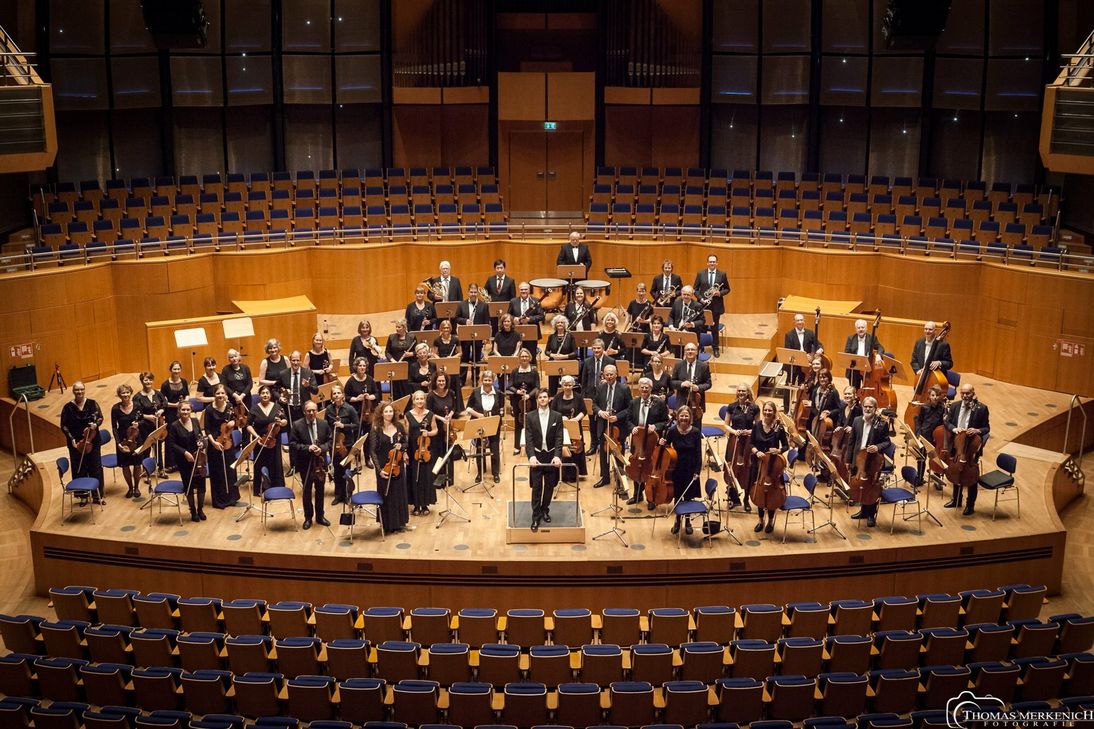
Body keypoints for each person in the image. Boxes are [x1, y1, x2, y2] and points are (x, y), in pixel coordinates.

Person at [845, 396, 891, 528]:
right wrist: (848, 459)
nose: (867, 409)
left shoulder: (881, 423)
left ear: (875, 409)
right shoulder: (857, 420)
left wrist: (877, 447)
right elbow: (851, 441)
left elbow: (887, 441)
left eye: (870, 407)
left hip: (873, 462)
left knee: (871, 487)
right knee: (861, 485)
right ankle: (864, 511)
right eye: (865, 406)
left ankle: (871, 514)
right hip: (858, 459)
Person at [624, 377, 671, 507]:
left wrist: (655, 427)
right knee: (636, 465)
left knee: (650, 468)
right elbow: (628, 420)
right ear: (639, 388)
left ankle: (650, 498)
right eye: (642, 387)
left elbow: (665, 422)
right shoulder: (634, 402)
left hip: (651, 442)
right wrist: (632, 427)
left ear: (651, 389)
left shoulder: (659, 403)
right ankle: (637, 495)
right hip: (637, 441)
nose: (644, 389)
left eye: (647, 387)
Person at [944, 384, 990, 515]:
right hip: (957, 444)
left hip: (971, 446)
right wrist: (954, 428)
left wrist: (977, 430)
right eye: (963, 393)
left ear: (973, 393)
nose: (965, 396)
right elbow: (947, 422)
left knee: (971, 476)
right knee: (956, 469)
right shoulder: (954, 406)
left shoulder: (981, 408)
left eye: (968, 393)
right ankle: (956, 500)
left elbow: (987, 428)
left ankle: (970, 505)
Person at [524, 389, 565, 532]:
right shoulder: (529, 416)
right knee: (536, 488)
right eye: (540, 397)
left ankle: (544, 509)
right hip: (537, 456)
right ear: (537, 400)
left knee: (549, 487)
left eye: (545, 397)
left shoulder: (557, 416)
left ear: (549, 399)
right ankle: (535, 516)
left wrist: (557, 456)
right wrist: (531, 456)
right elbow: (528, 439)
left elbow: (559, 438)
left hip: (551, 455)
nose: (542, 399)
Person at [289, 400, 331, 530]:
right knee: (307, 491)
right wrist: (308, 448)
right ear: (304, 412)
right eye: (309, 411)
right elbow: (293, 444)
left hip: (320, 463)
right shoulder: (297, 425)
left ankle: (320, 516)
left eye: (314, 410)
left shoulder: (323, 424)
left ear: (317, 411)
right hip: (305, 463)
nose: (311, 413)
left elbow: (330, 441)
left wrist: (322, 449)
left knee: (320, 490)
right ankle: (308, 517)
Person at [61, 381, 105, 500]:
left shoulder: (92, 404)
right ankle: (83, 496)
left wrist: (96, 424)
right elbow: (63, 425)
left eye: (81, 389)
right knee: (79, 469)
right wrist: (71, 439)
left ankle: (97, 496)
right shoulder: (68, 407)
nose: (79, 392)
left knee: (95, 467)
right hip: (76, 443)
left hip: (92, 440)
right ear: (73, 391)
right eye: (77, 390)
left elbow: (100, 417)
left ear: (84, 390)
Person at [750, 401, 790, 533]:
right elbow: (751, 443)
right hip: (759, 464)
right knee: (760, 491)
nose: (767, 413)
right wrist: (756, 451)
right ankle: (760, 520)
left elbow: (786, 446)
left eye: (770, 411)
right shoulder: (757, 425)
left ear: (774, 412)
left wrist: (778, 451)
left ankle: (771, 521)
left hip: (774, 466)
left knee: (772, 492)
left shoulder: (779, 428)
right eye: (765, 410)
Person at [371, 401, 409, 534]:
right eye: (386, 411)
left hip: (397, 465)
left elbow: (405, 442)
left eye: (391, 411)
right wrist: (379, 470)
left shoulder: (399, 426)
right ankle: (387, 524)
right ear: (381, 413)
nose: (388, 414)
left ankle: (399, 522)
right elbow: (372, 451)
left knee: (398, 493)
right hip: (383, 466)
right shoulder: (376, 428)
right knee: (387, 495)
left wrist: (402, 447)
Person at [664, 405, 703, 535]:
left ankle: (687, 522)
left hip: (691, 468)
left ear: (690, 417)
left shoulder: (696, 432)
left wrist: (697, 471)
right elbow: (666, 446)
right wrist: (661, 442)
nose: (684, 418)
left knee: (688, 497)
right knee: (678, 496)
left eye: (686, 416)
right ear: (678, 417)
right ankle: (677, 521)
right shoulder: (673, 431)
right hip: (676, 468)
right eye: (682, 416)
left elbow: (698, 453)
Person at [591, 364, 631, 488]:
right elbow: (594, 404)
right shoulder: (601, 387)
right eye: (607, 374)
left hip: (619, 425)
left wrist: (617, 416)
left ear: (616, 374)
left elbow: (630, 407)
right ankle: (605, 478)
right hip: (604, 424)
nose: (609, 377)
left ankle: (619, 478)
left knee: (618, 452)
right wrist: (599, 412)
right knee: (604, 451)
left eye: (611, 374)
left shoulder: (624, 389)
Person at [169, 400, 207, 522]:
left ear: (191, 410)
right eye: (183, 410)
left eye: (188, 410)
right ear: (179, 411)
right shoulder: (174, 426)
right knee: (189, 486)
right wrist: (185, 453)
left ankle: (200, 509)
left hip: (198, 458)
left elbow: (201, 437)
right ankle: (193, 511)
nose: (185, 412)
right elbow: (172, 444)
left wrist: (202, 444)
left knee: (201, 485)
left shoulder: (195, 421)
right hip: (184, 460)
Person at [203, 384, 240, 509]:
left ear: (226, 395)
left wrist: (233, 423)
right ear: (214, 395)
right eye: (218, 393)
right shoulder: (209, 409)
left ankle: (232, 498)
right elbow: (206, 429)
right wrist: (213, 443)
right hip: (215, 443)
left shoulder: (230, 407)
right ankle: (220, 500)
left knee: (230, 470)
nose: (220, 396)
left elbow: (237, 421)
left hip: (228, 442)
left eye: (222, 393)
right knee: (217, 472)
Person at [464, 370, 505, 484]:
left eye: (489, 380)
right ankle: (480, 473)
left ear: (493, 381)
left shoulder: (499, 393)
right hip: (478, 423)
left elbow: (501, 409)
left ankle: (495, 473)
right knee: (479, 447)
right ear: (481, 380)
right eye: (485, 380)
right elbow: (468, 408)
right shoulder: (475, 392)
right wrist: (478, 415)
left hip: (493, 423)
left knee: (494, 446)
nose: (487, 382)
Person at [723, 384, 759, 511]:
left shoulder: (754, 408)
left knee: (748, 469)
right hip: (735, 439)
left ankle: (746, 499)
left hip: (748, 441)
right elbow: (726, 425)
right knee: (732, 466)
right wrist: (734, 431)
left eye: (743, 391)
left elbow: (757, 426)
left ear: (748, 392)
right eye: (739, 391)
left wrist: (749, 431)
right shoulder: (732, 406)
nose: (741, 393)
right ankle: (734, 497)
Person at [247, 385, 288, 492]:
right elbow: (248, 425)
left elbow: (285, 421)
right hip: (259, 440)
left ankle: (276, 486)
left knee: (275, 462)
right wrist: (257, 437)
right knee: (259, 463)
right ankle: (260, 488)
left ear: (270, 395)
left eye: (267, 393)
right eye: (263, 393)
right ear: (259, 395)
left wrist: (281, 422)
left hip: (274, 440)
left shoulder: (277, 407)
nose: (265, 395)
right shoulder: (254, 408)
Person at [427, 371, 462, 488]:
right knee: (438, 453)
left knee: (448, 452)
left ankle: (449, 478)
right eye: (439, 381)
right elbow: (429, 412)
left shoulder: (451, 393)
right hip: (436, 427)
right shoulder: (431, 396)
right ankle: (438, 480)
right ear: (435, 382)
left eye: (443, 381)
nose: (441, 383)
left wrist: (450, 415)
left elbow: (454, 407)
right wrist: (441, 418)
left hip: (448, 427)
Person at [406, 391, 438, 515]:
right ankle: (416, 504)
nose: (420, 401)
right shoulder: (408, 415)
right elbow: (406, 434)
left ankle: (425, 504)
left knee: (426, 477)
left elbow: (435, 430)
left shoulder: (430, 414)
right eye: (417, 399)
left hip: (426, 450)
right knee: (414, 477)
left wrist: (428, 433)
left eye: (422, 399)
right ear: (413, 401)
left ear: (425, 400)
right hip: (413, 449)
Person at [326, 385, 359, 506]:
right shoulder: (329, 409)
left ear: (343, 395)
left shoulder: (349, 409)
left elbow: (356, 424)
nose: (336, 395)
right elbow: (326, 425)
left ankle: (347, 495)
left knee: (345, 470)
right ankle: (338, 495)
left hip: (347, 444)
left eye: (338, 393)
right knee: (336, 470)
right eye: (334, 394)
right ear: (331, 397)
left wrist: (344, 426)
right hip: (334, 444)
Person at [551, 375, 588, 481]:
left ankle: (573, 474)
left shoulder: (578, 397)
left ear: (573, 385)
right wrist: (560, 418)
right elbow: (552, 412)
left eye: (569, 385)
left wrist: (576, 419)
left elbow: (583, 411)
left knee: (575, 450)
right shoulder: (557, 397)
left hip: (574, 426)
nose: (567, 387)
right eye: (565, 385)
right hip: (561, 427)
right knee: (562, 448)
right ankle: (562, 474)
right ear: (562, 385)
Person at [344, 357, 380, 466]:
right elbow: (345, 397)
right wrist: (356, 399)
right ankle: (357, 457)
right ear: (356, 367)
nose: (362, 367)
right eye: (360, 365)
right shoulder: (351, 381)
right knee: (357, 436)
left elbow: (377, 394)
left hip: (368, 412)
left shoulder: (370, 379)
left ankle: (368, 458)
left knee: (368, 436)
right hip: (355, 412)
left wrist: (370, 397)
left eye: (364, 366)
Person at [693, 254, 730, 356]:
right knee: (702, 327)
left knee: (714, 327)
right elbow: (695, 289)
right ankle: (701, 347)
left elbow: (727, 289)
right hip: (703, 305)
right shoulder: (700, 274)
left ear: (716, 263)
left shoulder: (722, 274)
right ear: (707, 263)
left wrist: (720, 293)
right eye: (710, 261)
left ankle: (715, 347)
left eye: (714, 262)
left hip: (716, 305)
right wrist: (700, 299)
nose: (712, 263)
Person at [111, 383, 143, 499]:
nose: (125, 395)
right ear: (119, 395)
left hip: (136, 438)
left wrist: (138, 423)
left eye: (127, 392)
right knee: (125, 466)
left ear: (131, 393)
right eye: (123, 393)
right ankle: (130, 488)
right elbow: (114, 427)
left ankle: (137, 487)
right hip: (123, 439)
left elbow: (143, 420)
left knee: (137, 464)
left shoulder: (137, 405)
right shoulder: (115, 408)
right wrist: (118, 443)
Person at [914, 384, 947, 488]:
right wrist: (918, 433)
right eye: (933, 395)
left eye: (937, 395)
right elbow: (919, 421)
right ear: (929, 396)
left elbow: (943, 424)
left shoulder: (942, 408)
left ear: (940, 396)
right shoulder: (924, 407)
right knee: (921, 458)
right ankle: (919, 478)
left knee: (935, 459)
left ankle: (937, 480)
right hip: (924, 435)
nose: (935, 397)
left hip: (936, 438)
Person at [507, 348, 539, 454]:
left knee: (532, 423)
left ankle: (533, 446)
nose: (524, 358)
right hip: (518, 401)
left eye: (526, 356)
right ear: (519, 358)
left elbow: (537, 387)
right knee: (518, 422)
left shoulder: (534, 371)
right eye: (522, 356)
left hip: (531, 401)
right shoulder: (515, 371)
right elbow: (510, 386)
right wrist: (518, 392)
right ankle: (517, 446)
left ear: (529, 358)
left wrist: (529, 395)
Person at [134, 371, 166, 474]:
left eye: (150, 379)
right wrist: (147, 416)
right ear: (142, 381)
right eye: (146, 380)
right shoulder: (137, 397)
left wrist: (161, 410)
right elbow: (135, 412)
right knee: (146, 448)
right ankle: (147, 471)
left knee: (158, 447)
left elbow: (164, 403)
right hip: (145, 426)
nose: (148, 382)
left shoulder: (157, 393)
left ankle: (161, 469)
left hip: (157, 424)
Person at [456, 283, 489, 384]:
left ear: (477, 293)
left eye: (475, 292)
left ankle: (475, 378)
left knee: (477, 358)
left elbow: (486, 321)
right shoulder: (462, 304)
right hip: (465, 335)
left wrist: (485, 336)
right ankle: (462, 379)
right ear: (468, 292)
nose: (473, 294)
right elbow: (456, 318)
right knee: (464, 357)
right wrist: (465, 321)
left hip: (478, 336)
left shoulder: (483, 305)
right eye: (471, 292)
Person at [160, 361, 189, 472]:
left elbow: (186, 394)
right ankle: (171, 464)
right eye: (174, 369)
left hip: (183, 413)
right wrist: (176, 405)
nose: (177, 371)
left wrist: (184, 402)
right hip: (171, 414)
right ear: (170, 370)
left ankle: (182, 461)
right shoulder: (165, 385)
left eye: (178, 369)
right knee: (171, 438)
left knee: (182, 435)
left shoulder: (184, 381)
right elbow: (163, 402)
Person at [670, 342, 712, 420]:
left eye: (692, 349)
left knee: (696, 427)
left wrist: (698, 387)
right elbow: (672, 382)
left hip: (697, 403)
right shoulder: (678, 365)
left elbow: (708, 383)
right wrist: (682, 384)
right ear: (685, 352)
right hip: (682, 400)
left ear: (696, 352)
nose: (690, 351)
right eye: (687, 350)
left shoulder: (704, 366)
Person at [278, 351, 319, 425]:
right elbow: (275, 389)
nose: (295, 363)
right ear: (290, 361)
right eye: (293, 360)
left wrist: (308, 386)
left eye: (297, 360)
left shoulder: (308, 373)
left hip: (303, 409)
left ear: (300, 361)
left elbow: (315, 390)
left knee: (304, 432)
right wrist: (280, 397)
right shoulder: (283, 374)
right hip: (289, 409)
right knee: (290, 432)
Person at [784, 313, 825, 385]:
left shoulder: (810, 333)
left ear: (804, 321)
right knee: (789, 384)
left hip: (806, 365)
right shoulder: (789, 335)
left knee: (803, 384)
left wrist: (820, 349)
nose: (800, 322)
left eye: (801, 320)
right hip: (794, 364)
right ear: (794, 322)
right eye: (798, 320)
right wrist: (802, 356)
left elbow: (818, 344)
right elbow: (788, 351)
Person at [843, 319, 884, 389]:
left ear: (866, 328)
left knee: (867, 389)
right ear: (856, 329)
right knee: (854, 390)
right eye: (858, 328)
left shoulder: (871, 338)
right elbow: (846, 353)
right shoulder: (851, 338)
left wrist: (878, 355)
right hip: (855, 368)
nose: (860, 329)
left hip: (867, 367)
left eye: (862, 327)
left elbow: (880, 347)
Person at [910, 320, 953, 385]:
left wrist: (939, 363)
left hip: (936, 380)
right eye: (926, 329)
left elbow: (949, 363)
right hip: (921, 378)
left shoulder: (943, 345)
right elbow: (914, 361)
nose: (927, 331)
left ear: (935, 331)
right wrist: (918, 371)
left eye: (930, 329)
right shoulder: (919, 342)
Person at [544, 315, 576, 397]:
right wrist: (552, 355)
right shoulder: (551, 337)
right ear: (555, 325)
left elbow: (575, 352)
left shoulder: (570, 336)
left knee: (566, 384)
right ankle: (553, 399)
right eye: (558, 323)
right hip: (554, 362)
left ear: (565, 324)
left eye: (562, 322)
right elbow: (546, 351)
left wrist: (563, 356)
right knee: (553, 384)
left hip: (566, 363)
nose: (560, 324)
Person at [385, 319, 417, 399]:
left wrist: (410, 354)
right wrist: (392, 360)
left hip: (408, 368)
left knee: (407, 389)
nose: (397, 329)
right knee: (396, 390)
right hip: (395, 367)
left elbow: (417, 352)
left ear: (404, 327)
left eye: (399, 327)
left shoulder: (412, 337)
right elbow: (387, 352)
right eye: (396, 327)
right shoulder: (391, 337)